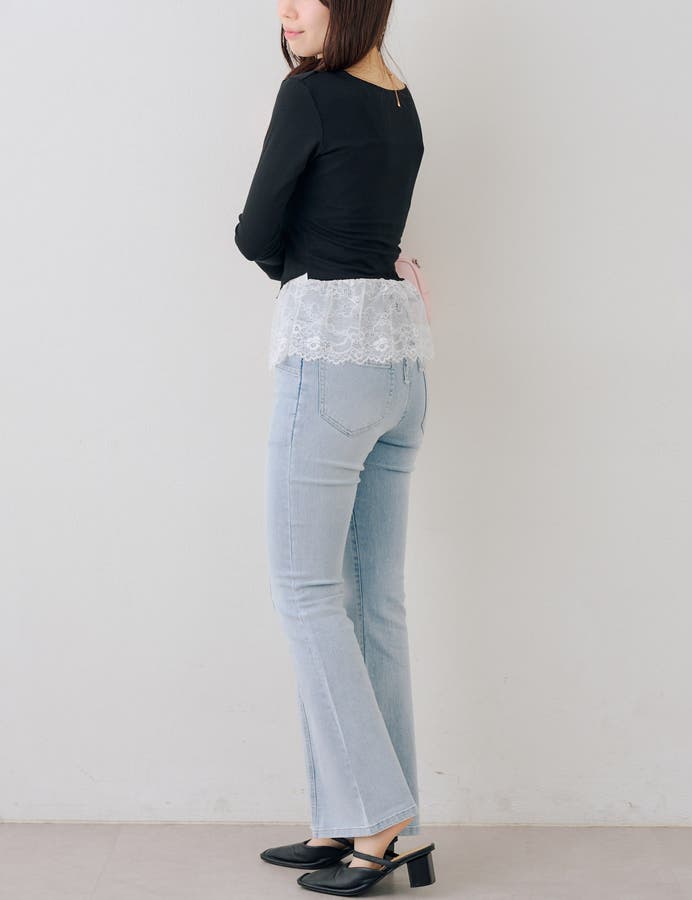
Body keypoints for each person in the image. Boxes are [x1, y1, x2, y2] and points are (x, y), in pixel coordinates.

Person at [235, 1, 436, 894]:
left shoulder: (309, 94)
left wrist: (302, 265)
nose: (285, 8)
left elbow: (255, 232)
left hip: (331, 359)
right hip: (401, 363)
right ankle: (360, 821)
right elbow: (369, 228)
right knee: (372, 603)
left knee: (308, 593)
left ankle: (377, 817)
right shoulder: (399, 96)